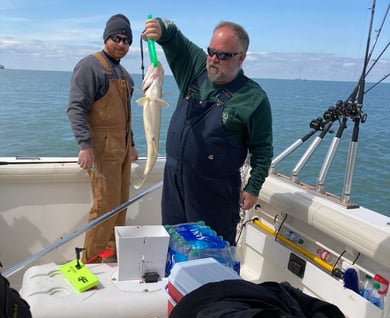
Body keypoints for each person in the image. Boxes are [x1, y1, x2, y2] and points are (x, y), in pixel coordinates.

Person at [143, 18, 273, 245]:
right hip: (175, 181)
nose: (213, 59)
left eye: (222, 55)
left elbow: (262, 150)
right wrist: (160, 29)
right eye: (211, 51)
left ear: (241, 57)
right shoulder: (195, 68)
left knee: (211, 256)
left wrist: (253, 188)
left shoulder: (253, 99)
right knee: (174, 246)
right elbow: (174, 37)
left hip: (214, 192)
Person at [67, 14, 139, 262]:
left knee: (120, 205)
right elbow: (76, 108)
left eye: (126, 40)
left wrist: (132, 145)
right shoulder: (90, 66)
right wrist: (84, 146)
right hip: (102, 151)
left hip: (121, 152)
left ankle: (109, 255)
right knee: (104, 207)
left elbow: (127, 116)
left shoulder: (126, 75)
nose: (121, 44)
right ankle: (90, 260)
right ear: (106, 38)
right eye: (117, 38)